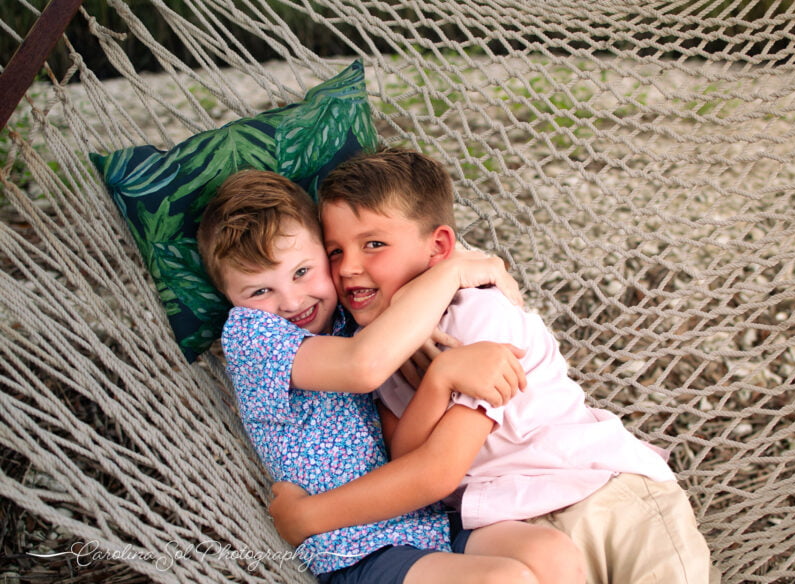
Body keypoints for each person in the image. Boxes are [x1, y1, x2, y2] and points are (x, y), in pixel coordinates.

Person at [268, 148, 720, 584]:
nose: (349, 268)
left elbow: (436, 470)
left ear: (440, 248)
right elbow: (404, 458)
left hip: (603, 496)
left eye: (373, 244)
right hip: (508, 525)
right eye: (334, 252)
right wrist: (437, 378)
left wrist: (310, 515)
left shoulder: (477, 315)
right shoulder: (377, 348)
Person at [196, 170, 585, 584]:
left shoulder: (353, 320)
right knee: (503, 581)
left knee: (551, 553)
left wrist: (439, 378)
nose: (291, 301)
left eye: (302, 272)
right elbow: (361, 367)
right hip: (348, 545)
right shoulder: (251, 336)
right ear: (231, 300)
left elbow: (404, 450)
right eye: (259, 292)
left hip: (426, 520)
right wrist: (452, 273)